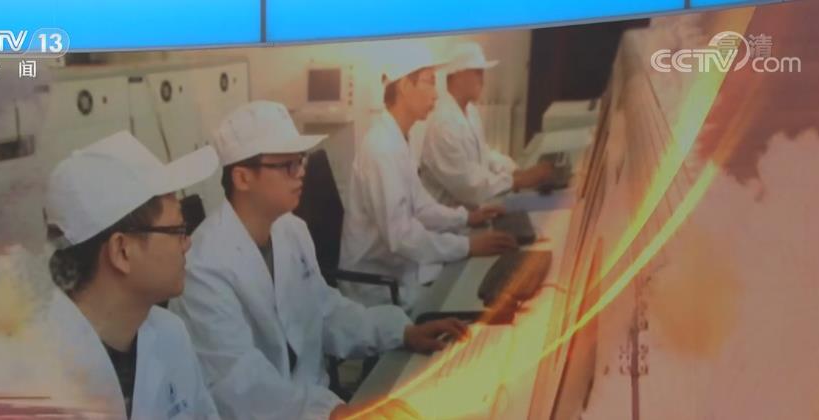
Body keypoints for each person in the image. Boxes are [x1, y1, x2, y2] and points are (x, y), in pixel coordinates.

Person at [170, 101, 467, 420]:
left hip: (313, 406)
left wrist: (401, 331)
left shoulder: (291, 230)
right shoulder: (203, 267)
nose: (301, 173)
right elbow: (239, 382)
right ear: (242, 178)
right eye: (287, 165)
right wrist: (333, 412)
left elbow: (324, 311)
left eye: (301, 161)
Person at [43, 131, 221, 419]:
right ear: (122, 251)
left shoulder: (170, 334)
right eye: (178, 230)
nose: (188, 243)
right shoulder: (30, 376)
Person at [340, 49, 517, 310]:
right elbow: (401, 236)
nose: (436, 94)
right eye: (430, 82)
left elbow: (421, 206)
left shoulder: (399, 138)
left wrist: (467, 218)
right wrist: (467, 246)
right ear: (404, 85)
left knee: (469, 282)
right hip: (377, 287)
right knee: (466, 300)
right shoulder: (381, 149)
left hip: (401, 268)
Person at [421, 42, 554, 209]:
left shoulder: (470, 111)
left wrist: (514, 171)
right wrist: (517, 181)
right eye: (478, 72)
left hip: (470, 211)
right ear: (458, 74)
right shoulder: (442, 124)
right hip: (449, 219)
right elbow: (467, 185)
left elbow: (484, 155)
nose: (483, 80)